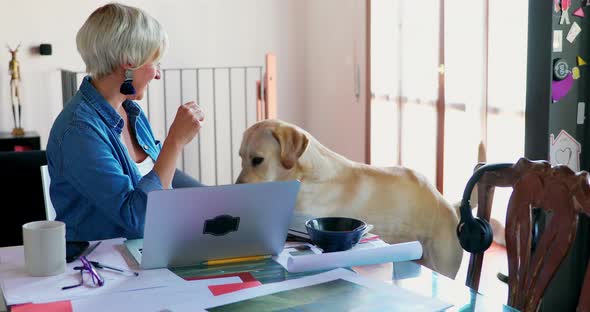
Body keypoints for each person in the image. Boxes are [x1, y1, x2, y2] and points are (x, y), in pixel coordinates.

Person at [47, 3, 204, 241]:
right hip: (103, 266)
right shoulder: (78, 130)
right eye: (155, 63)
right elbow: (138, 219)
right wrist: (175, 141)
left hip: (145, 253)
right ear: (129, 62)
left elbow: (161, 184)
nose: (158, 74)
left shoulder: (132, 114)